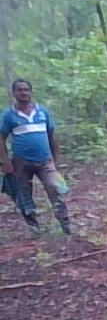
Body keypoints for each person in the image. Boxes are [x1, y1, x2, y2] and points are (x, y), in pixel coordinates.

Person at [0, 79, 70, 234]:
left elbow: (51, 136)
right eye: (20, 90)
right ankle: (34, 227)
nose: (23, 93)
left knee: (56, 189)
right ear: (14, 93)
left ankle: (65, 227)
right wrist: (5, 162)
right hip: (21, 163)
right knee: (23, 194)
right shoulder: (8, 115)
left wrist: (55, 159)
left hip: (45, 160)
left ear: (31, 92)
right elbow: (1, 138)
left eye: (26, 90)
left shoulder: (43, 112)